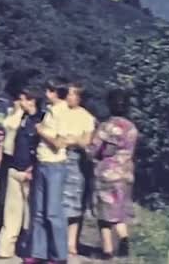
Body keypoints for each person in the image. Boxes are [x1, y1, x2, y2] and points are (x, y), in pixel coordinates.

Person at [87, 89, 138, 260]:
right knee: (119, 210)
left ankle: (107, 250)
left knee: (104, 212)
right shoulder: (132, 128)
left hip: (108, 173)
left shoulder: (107, 127)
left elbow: (93, 150)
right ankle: (123, 238)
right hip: (126, 173)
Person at [0, 87, 45, 259]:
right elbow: (7, 127)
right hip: (14, 167)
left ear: (32, 101)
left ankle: (31, 249)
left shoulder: (41, 120)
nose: (19, 102)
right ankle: (5, 248)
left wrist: (34, 166)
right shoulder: (19, 117)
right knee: (11, 212)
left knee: (32, 214)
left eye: (22, 99)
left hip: (30, 171)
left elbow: (41, 146)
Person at [27, 77, 71, 264]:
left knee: (53, 212)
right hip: (42, 162)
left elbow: (59, 142)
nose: (46, 94)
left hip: (55, 165)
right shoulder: (49, 112)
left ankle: (59, 255)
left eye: (49, 91)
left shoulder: (63, 113)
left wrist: (41, 131)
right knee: (38, 210)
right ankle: (39, 252)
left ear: (56, 92)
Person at [61, 82, 96, 257]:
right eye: (67, 93)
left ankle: (71, 241)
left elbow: (86, 142)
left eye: (73, 94)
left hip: (76, 161)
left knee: (74, 203)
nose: (69, 97)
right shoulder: (58, 112)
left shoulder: (86, 117)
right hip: (57, 158)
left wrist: (73, 140)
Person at [0, 98, 23, 234]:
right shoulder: (10, 112)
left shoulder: (23, 116)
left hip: (15, 154)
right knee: (2, 192)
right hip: (5, 152)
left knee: (14, 195)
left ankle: (15, 227)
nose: (16, 101)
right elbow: (4, 134)